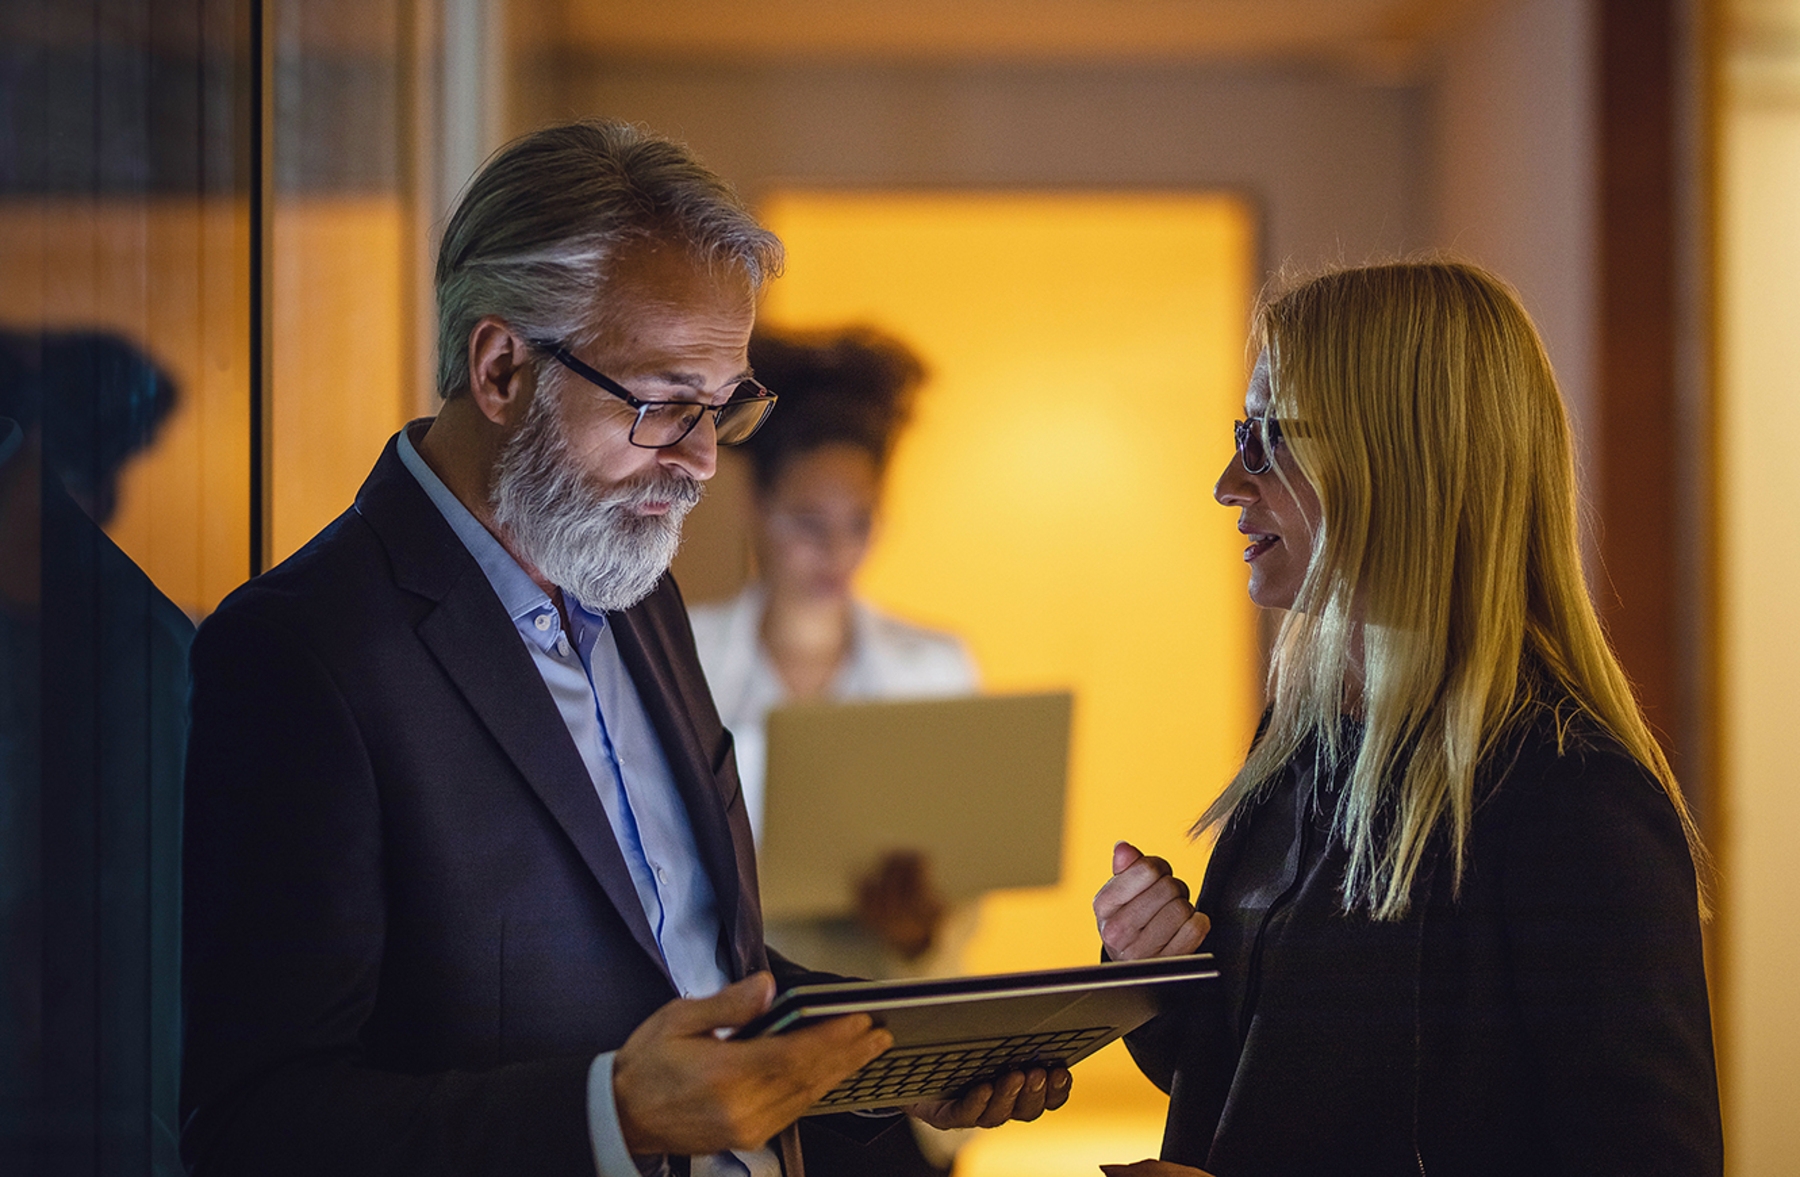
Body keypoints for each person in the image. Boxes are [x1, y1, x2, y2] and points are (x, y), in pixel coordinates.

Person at [179, 120, 1066, 1177]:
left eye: (723, 409)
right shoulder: (302, 652)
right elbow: (256, 1128)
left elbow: (702, 958)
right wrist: (610, 1118)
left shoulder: (637, 592)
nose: (699, 463)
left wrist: (898, 1050)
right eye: (662, 406)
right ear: (502, 369)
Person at [1091, 261, 1722, 1177]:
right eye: (1241, 435)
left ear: (1401, 455)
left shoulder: (1571, 798)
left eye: (1269, 440)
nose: (1230, 481)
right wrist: (1152, 973)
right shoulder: (1303, 744)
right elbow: (1254, 1080)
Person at [688, 328, 980, 1176]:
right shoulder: (685, 664)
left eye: (859, 523)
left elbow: (970, 871)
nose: (836, 552)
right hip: (741, 1049)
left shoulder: (936, 667)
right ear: (756, 509)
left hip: (897, 1062)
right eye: (809, 523)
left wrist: (925, 925)